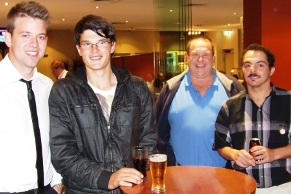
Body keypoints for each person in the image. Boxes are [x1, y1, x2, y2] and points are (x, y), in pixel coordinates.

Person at [49, 15, 157, 193]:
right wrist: (106, 178)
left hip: (131, 189)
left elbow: (149, 140)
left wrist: (137, 176)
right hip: (85, 190)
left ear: (112, 45)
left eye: (101, 42)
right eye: (87, 44)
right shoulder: (63, 92)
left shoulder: (137, 88)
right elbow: (62, 153)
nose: (94, 50)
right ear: (79, 49)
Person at [0, 1, 63, 193]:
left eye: (40, 37)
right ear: (9, 38)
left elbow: (56, 139)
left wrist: (57, 183)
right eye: (25, 35)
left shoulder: (48, 86)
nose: (34, 44)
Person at [155, 35, 245, 166]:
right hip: (180, 178)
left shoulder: (232, 87)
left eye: (206, 55)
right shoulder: (170, 89)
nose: (200, 59)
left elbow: (246, 128)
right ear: (187, 58)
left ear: (213, 58)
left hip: (224, 177)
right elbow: (158, 133)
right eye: (195, 54)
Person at [214, 44, 291, 193]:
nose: (253, 70)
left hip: (284, 187)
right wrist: (234, 154)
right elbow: (220, 145)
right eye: (247, 65)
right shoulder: (229, 106)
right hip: (241, 186)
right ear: (242, 70)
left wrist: (274, 154)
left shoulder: (288, 101)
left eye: (260, 65)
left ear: (272, 70)